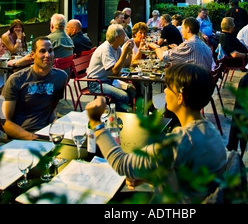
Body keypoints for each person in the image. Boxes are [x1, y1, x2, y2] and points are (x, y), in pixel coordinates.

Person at [85, 63, 227, 203]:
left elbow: (121, 163)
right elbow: (189, 174)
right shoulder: (210, 131)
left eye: (168, 87)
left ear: (180, 97)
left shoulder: (179, 141)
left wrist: (96, 123)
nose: (164, 91)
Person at [1, 37, 68, 140]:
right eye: (42, 51)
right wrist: (32, 138)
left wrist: (56, 123)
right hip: (23, 136)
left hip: (47, 134)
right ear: (32, 55)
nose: (48, 55)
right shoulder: (17, 79)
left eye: (50, 51)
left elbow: (52, 108)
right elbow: (4, 121)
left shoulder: (61, 77)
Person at [87, 24, 136, 111]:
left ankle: (124, 112)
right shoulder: (106, 49)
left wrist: (129, 52)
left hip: (109, 80)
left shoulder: (117, 47)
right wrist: (124, 53)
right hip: (96, 83)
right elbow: (115, 71)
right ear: (117, 37)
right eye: (123, 35)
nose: (125, 37)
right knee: (123, 96)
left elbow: (125, 65)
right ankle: (117, 117)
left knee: (132, 90)